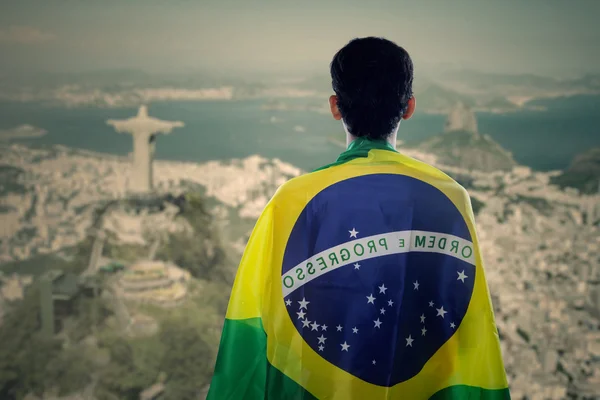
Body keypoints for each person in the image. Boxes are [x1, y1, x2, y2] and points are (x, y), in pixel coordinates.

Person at [207, 37, 510, 400]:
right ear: (409, 107)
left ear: (336, 106)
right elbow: (466, 323)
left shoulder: (291, 200)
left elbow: (253, 319)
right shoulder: (452, 196)